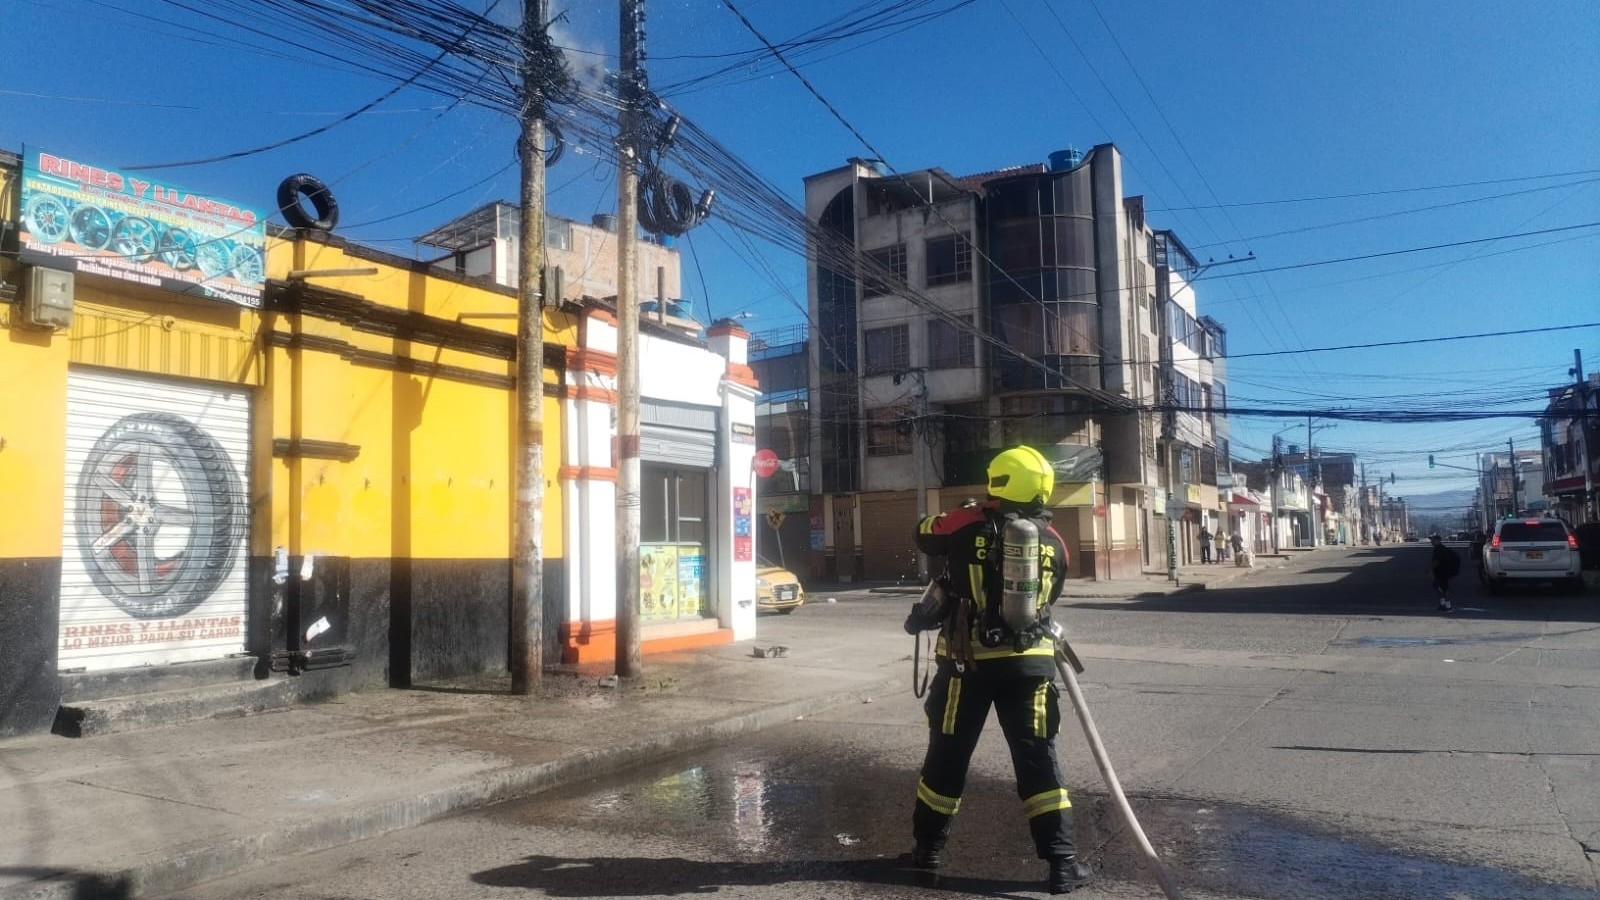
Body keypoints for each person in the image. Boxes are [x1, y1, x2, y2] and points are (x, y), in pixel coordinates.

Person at [902, 445, 1091, 894]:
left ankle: (927, 852)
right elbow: (1055, 591)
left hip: (965, 666)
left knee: (947, 757)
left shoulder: (964, 522)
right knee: (1038, 761)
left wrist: (968, 515)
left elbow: (923, 534)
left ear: (999, 481)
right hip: (1031, 666)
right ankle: (1062, 865)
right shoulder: (1054, 540)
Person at [1426, 533, 1460, 612]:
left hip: (1442, 572)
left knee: (1444, 589)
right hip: (1441, 572)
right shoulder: (1440, 548)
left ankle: (1448, 606)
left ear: (1438, 541)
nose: (1431, 541)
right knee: (1439, 588)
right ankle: (1442, 604)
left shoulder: (1439, 549)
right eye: (1431, 540)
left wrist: (1429, 569)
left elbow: (1437, 561)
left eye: (1433, 540)